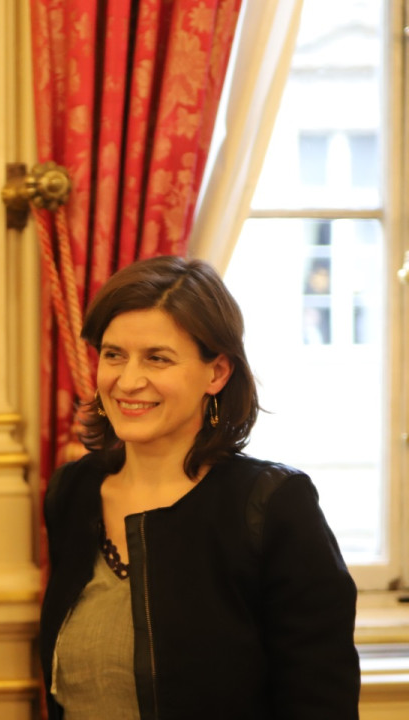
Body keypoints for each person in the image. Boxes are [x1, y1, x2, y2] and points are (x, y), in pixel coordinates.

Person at [39, 256, 359, 719]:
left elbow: (320, 702)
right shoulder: (72, 493)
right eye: (114, 355)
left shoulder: (274, 504)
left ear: (217, 373)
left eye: (157, 358)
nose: (128, 381)